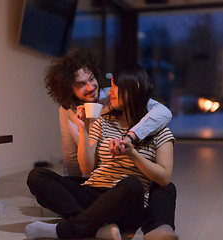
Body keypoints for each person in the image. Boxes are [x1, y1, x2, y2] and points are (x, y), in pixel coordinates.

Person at [25, 64, 177, 239]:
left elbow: (164, 178)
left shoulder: (159, 129)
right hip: (94, 192)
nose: (109, 92)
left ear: (133, 88)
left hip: (127, 200)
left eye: (114, 86)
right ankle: (94, 227)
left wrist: (133, 155)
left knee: (133, 184)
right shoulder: (101, 121)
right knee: (37, 176)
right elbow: (87, 168)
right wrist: (84, 128)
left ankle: (67, 230)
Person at [43, 48, 173, 181]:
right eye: (81, 84)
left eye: (92, 79)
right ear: (69, 90)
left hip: (121, 176)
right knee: (40, 177)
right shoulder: (67, 110)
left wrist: (130, 136)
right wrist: (72, 186)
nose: (91, 87)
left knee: (162, 190)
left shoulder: (113, 98)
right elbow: (70, 155)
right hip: (94, 177)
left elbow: (163, 112)